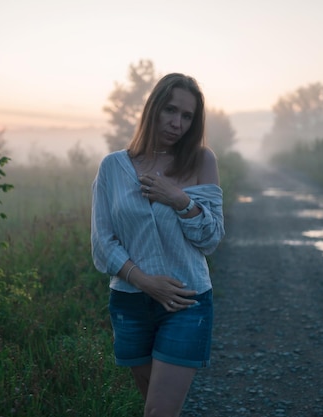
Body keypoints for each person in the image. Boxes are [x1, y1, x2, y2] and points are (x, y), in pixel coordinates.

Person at [91, 73, 225, 417]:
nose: (177, 123)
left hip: (186, 302)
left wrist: (179, 199)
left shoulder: (200, 161)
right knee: (156, 406)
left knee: (158, 412)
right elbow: (102, 243)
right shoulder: (113, 168)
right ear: (153, 109)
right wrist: (145, 282)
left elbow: (210, 239)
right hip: (130, 304)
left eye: (187, 116)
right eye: (170, 110)